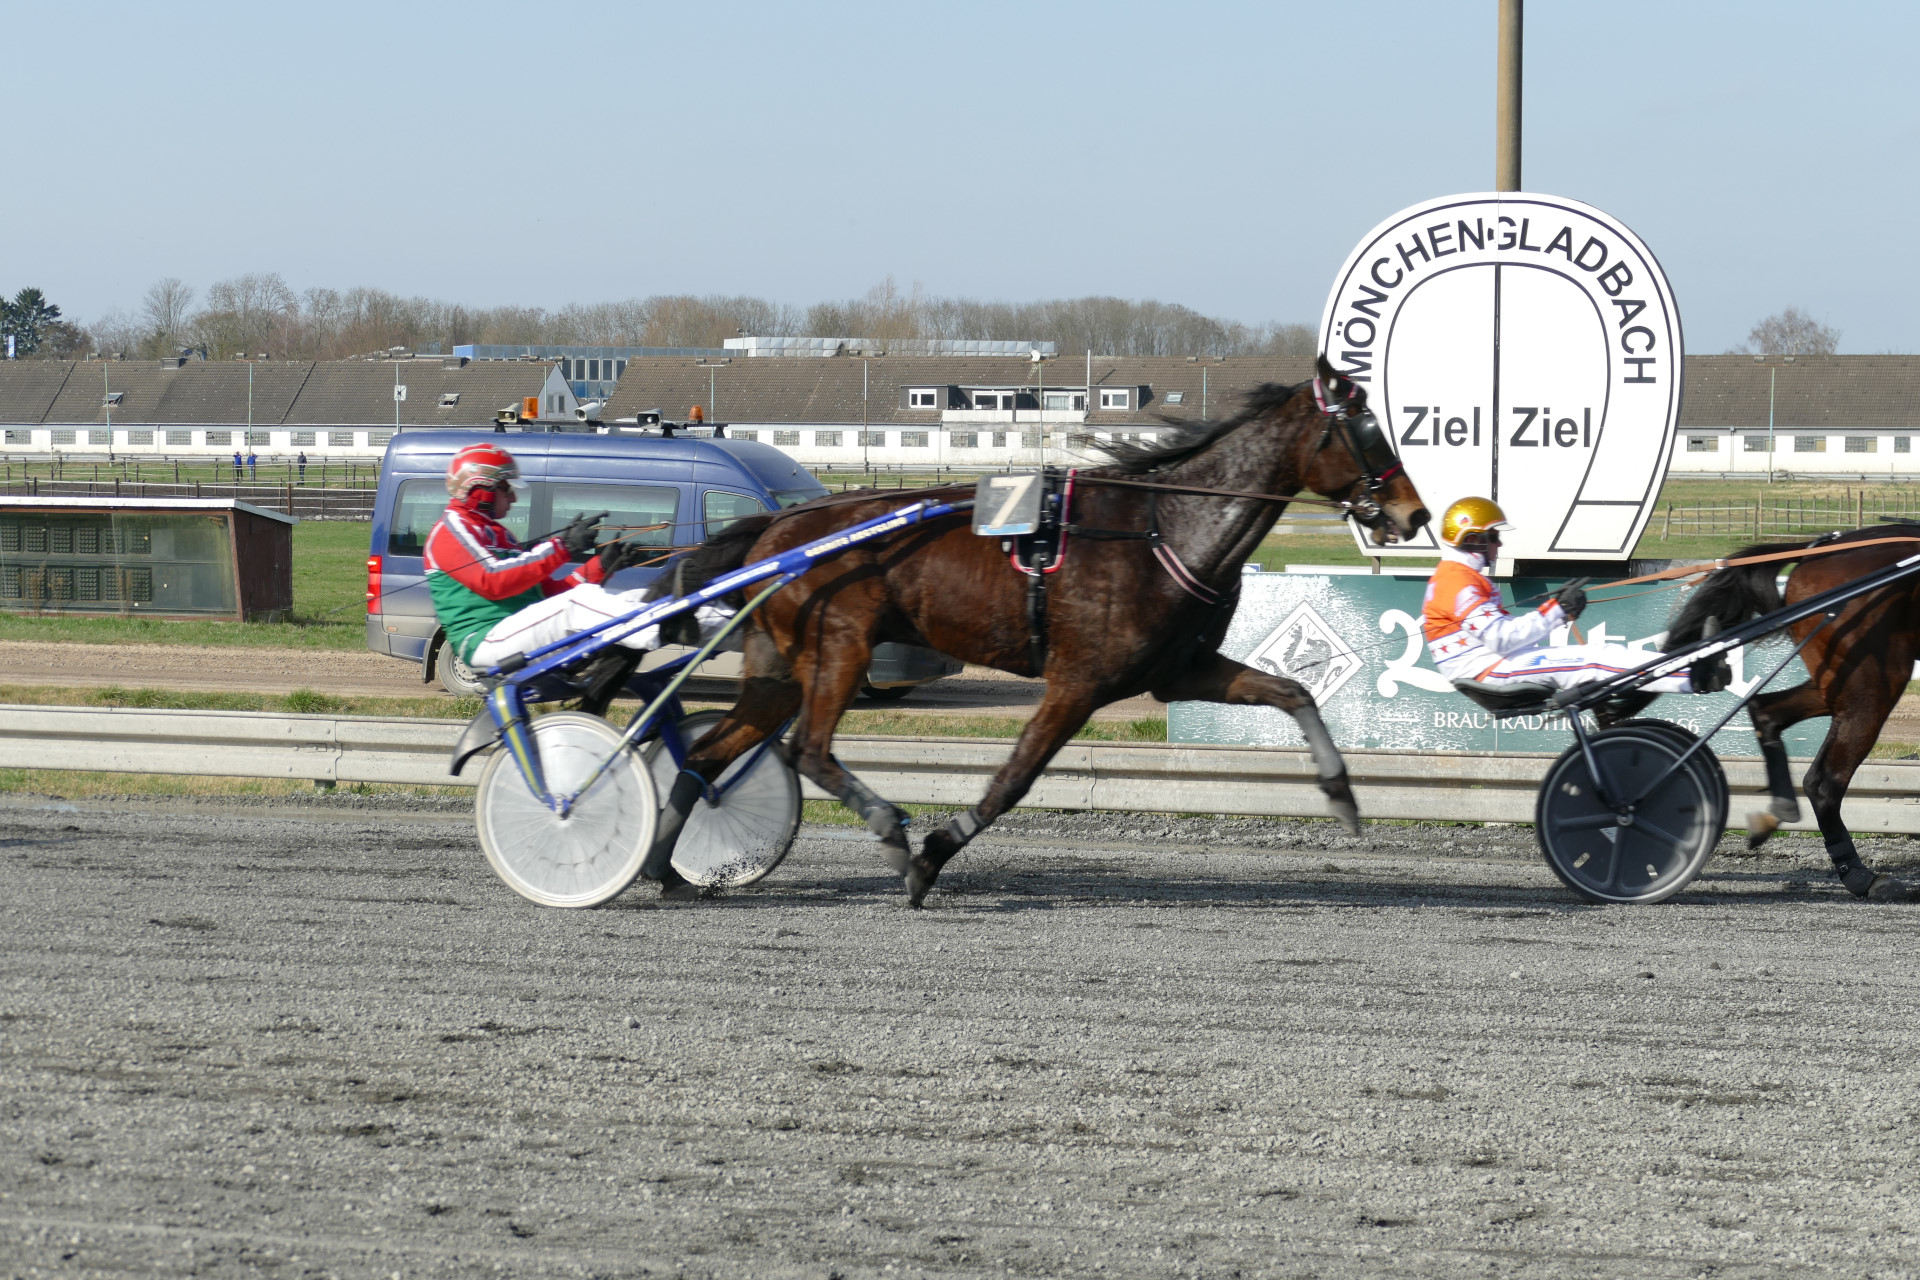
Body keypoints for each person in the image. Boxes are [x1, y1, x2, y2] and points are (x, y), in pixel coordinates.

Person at [423, 442, 731, 671]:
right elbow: (492, 581)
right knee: (577, 604)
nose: (514, 497)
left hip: (514, 630)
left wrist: (601, 565)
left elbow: (548, 593)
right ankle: (662, 627)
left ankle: (731, 626)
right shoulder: (449, 531)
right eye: (507, 489)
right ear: (481, 489)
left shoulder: (499, 534)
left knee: (636, 596)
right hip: (483, 640)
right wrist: (562, 547)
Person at [1423, 496, 1725, 696]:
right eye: (1494, 536)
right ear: (1472, 539)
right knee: (1596, 661)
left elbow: (1502, 635)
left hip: (1492, 665)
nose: (1499, 544)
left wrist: (1557, 609)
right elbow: (1502, 638)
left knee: (1602, 655)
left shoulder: (1458, 576)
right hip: (1491, 670)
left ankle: (1691, 666)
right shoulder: (1456, 581)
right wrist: (1556, 610)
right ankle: (1695, 676)